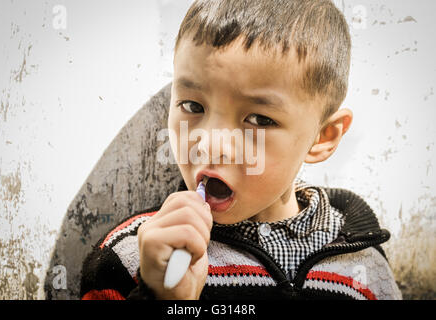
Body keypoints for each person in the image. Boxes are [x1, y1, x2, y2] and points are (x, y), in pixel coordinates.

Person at [80, 0, 402, 300]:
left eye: (260, 119)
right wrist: (161, 296)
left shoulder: (363, 265)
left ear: (323, 137)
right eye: (192, 105)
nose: (209, 144)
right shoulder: (136, 256)